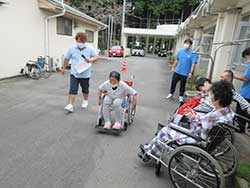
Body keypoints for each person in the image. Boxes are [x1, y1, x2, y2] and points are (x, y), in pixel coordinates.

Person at [138, 80, 234, 162]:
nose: (210, 96)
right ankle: (150, 148)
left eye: (212, 94)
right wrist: (195, 116)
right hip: (204, 139)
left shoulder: (214, 116)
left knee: (166, 130)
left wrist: (193, 118)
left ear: (217, 99)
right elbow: (204, 124)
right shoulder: (227, 112)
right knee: (171, 128)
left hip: (195, 140)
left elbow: (200, 128)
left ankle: (149, 153)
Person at [62, 32, 99, 112]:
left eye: (82, 42)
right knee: (73, 89)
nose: (80, 43)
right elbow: (66, 59)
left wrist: (90, 59)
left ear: (85, 41)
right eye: (79, 41)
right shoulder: (72, 48)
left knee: (85, 89)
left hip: (85, 74)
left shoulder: (90, 49)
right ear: (76, 40)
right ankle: (70, 105)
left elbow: (96, 57)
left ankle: (85, 100)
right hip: (74, 73)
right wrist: (63, 68)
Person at [233, 47, 250, 132]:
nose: (246, 60)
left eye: (246, 57)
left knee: (241, 110)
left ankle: (241, 127)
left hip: (247, 93)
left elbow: (246, 78)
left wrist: (234, 75)